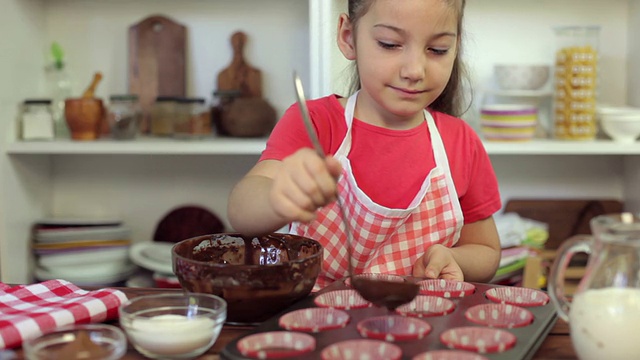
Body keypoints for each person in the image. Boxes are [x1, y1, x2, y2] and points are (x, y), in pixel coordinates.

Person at [227, 0, 502, 289]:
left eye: (437, 50)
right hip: (319, 322)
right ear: (348, 37)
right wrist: (277, 197)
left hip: (423, 324)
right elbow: (241, 213)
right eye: (390, 44)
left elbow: (487, 252)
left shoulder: (460, 142)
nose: (414, 70)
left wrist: (452, 258)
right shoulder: (315, 123)